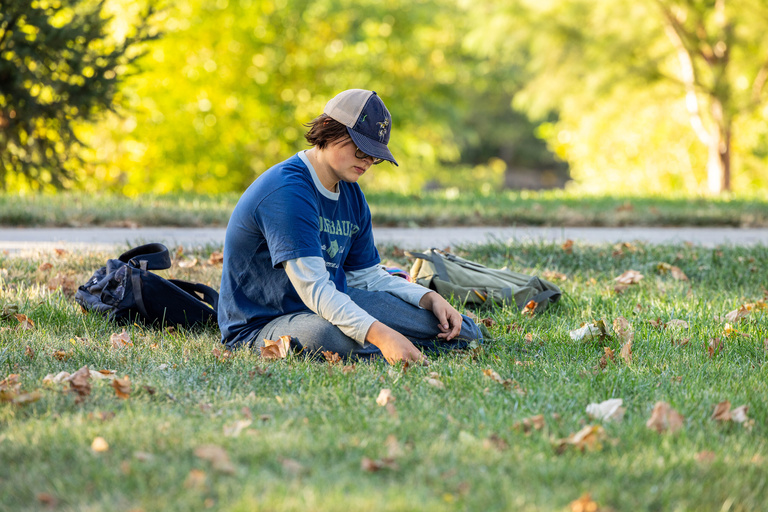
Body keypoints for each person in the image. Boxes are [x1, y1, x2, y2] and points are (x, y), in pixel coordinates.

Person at [217, 89, 482, 363]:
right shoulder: (288, 191)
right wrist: (382, 334)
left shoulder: (351, 193)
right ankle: (392, 347)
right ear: (329, 129)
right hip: (265, 324)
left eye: (375, 156)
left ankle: (388, 347)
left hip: (334, 300)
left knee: (463, 330)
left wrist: (428, 298)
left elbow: (368, 278)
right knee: (329, 339)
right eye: (361, 149)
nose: (367, 161)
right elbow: (315, 289)